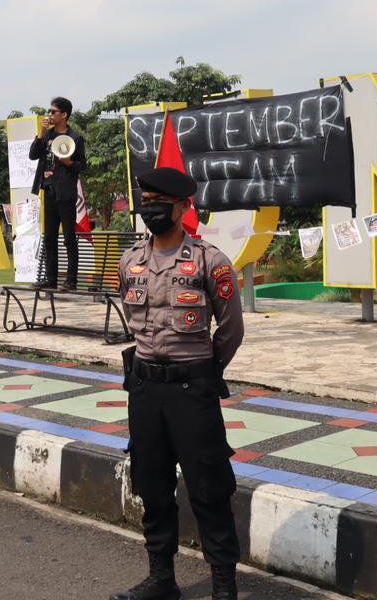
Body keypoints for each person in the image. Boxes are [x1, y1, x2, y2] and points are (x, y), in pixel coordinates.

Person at [111, 167, 245, 600]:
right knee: (152, 485)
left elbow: (230, 329)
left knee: (208, 486)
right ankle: (161, 579)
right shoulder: (131, 260)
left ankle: (224, 584)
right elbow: (133, 325)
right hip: (146, 389)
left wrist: (204, 370)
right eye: (145, 200)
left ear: (184, 206)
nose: (150, 208)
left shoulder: (210, 260)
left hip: (193, 391)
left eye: (159, 202)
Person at [28, 96, 87, 290]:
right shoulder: (47, 135)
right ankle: (50, 278)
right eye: (50, 111)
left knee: (69, 238)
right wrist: (41, 133)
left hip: (66, 193)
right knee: (50, 237)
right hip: (49, 191)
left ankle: (71, 280)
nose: (50, 114)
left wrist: (69, 163)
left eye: (53, 112)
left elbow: (82, 165)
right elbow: (33, 155)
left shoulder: (75, 137)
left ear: (64, 115)